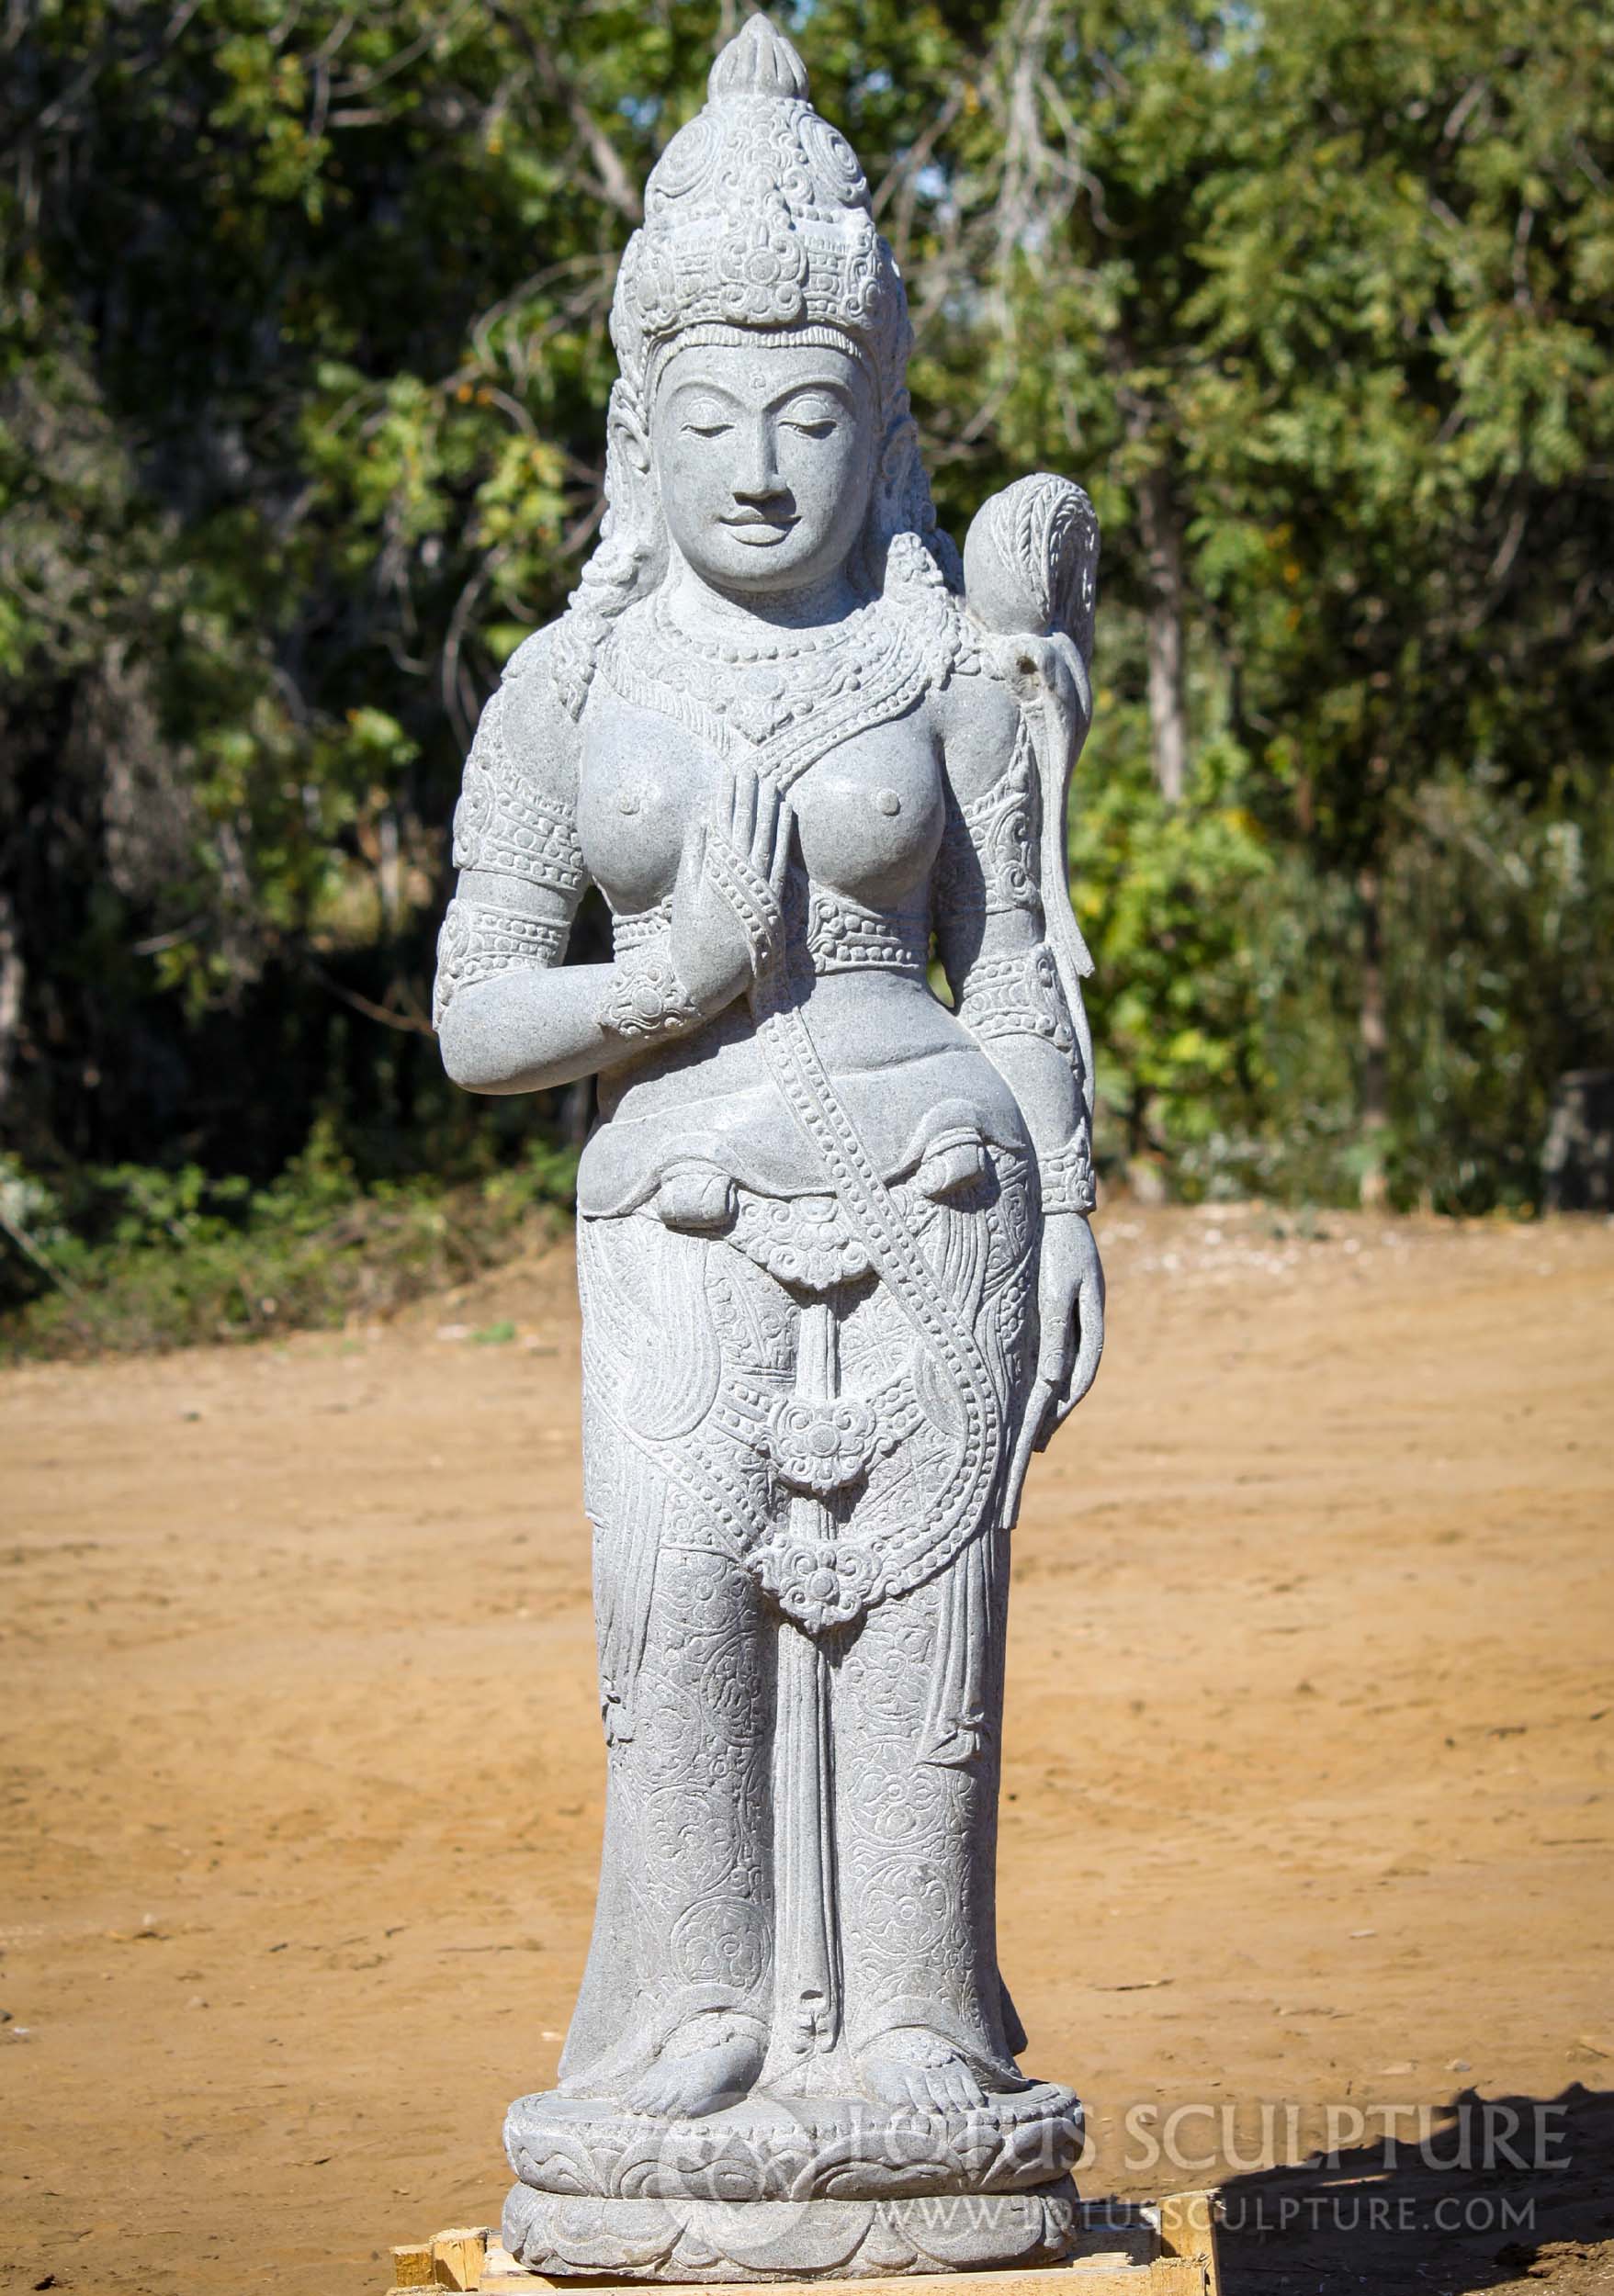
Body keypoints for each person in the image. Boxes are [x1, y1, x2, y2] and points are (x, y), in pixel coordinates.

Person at [435, 14, 1104, 2261]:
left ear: (880, 417)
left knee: (930, 1629)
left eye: (809, 417)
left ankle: (920, 2022)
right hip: (682, 1207)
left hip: (937, 1195)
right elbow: (471, 1014)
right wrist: (666, 979)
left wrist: (1077, 1199)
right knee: (682, 1605)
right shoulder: (570, 687)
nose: (758, 467)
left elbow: (1012, 962)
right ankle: (697, 2003)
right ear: (645, 422)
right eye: (710, 417)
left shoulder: (947, 680)